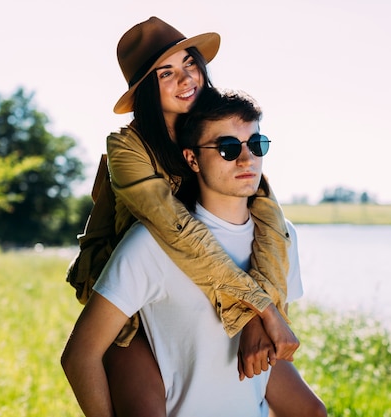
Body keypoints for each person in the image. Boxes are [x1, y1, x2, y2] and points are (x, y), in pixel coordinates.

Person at [65, 16, 302, 415]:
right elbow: (177, 231)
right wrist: (256, 311)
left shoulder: (220, 132)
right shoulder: (128, 148)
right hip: (136, 304)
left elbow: (270, 222)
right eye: (166, 73)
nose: (186, 79)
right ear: (145, 90)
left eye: (190, 63)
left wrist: (264, 319)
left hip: (207, 293)